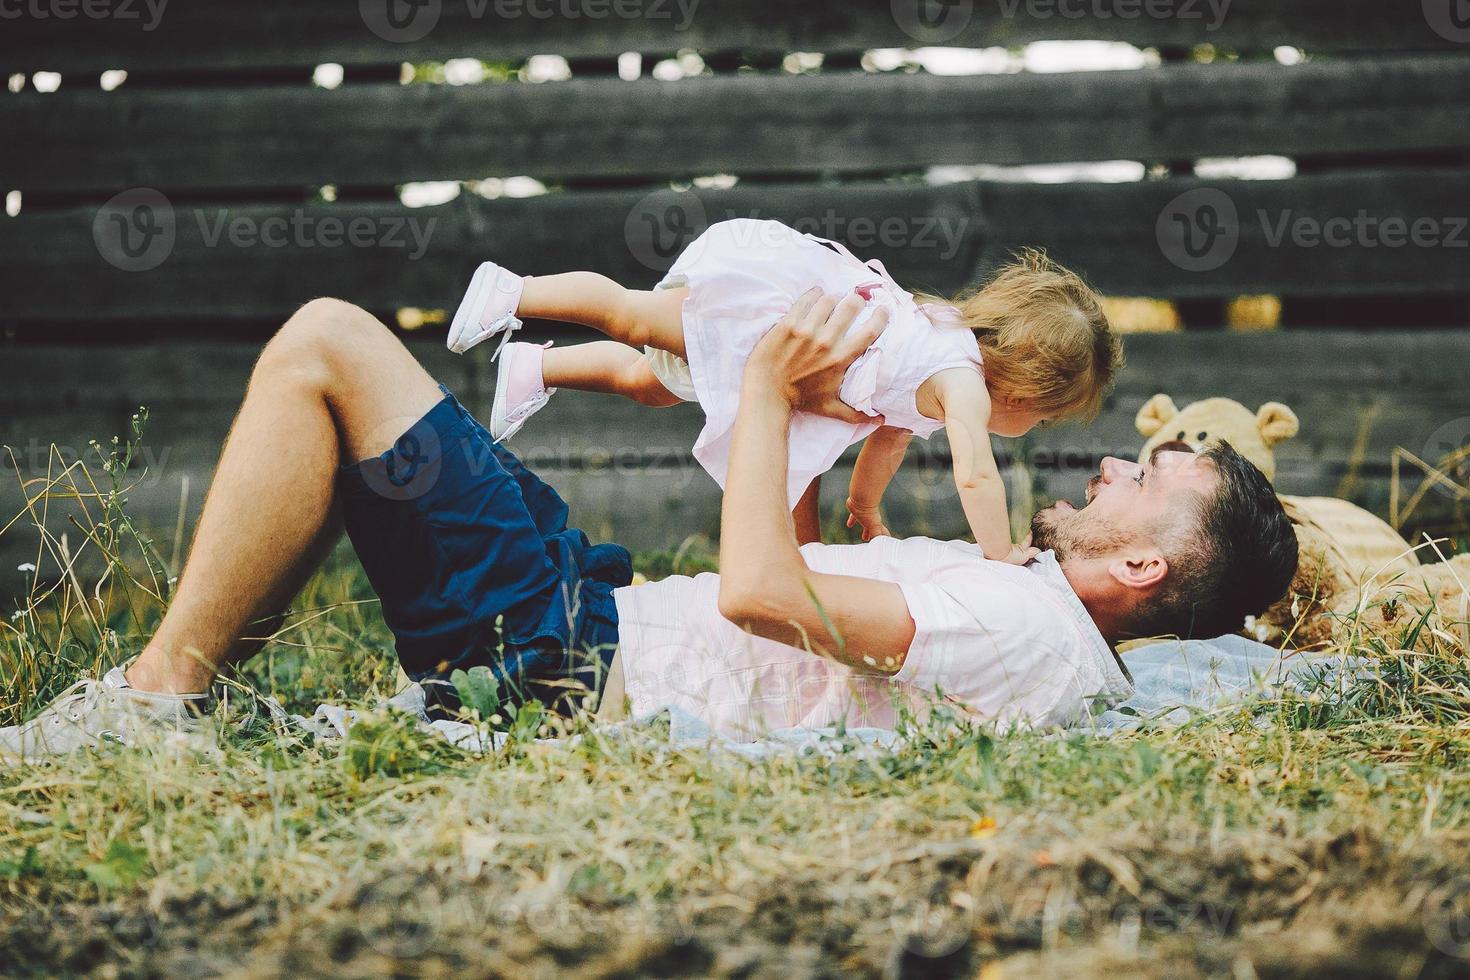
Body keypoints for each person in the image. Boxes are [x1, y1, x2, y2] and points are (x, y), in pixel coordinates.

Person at [1, 290, 1296, 761]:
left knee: (328, 345)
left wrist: (763, 387)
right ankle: (184, 689)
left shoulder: (1020, 621)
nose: (1115, 461)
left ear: (1141, 561)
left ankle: (159, 697)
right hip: (587, 611)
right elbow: (803, 567)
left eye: (1145, 475)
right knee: (353, 397)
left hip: (569, 663)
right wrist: (813, 406)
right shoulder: (1012, 582)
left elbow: (759, 594)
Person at [446, 219, 1121, 560]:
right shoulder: (965, 386)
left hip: (789, 366)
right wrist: (998, 553)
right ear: (1029, 394)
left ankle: (536, 367)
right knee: (629, 315)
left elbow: (887, 440)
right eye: (1045, 421)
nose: (1032, 429)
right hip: (771, 317)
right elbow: (976, 476)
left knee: (655, 384)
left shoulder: (943, 366)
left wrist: (867, 507)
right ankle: (515, 290)